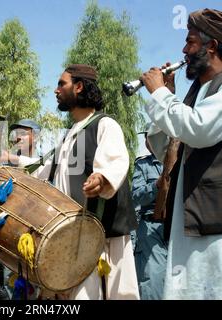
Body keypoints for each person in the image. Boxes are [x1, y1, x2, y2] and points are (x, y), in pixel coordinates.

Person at [140, 8, 222, 299]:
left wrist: (160, 96)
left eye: (190, 42)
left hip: (221, 231)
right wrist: (168, 95)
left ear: (211, 46)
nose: (184, 50)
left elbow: (197, 129)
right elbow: (166, 148)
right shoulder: (195, 94)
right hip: (188, 226)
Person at [37, 64, 139, 300]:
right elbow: (42, 170)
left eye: (62, 83)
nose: (56, 90)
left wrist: (102, 178)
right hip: (72, 237)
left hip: (101, 238)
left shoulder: (105, 124)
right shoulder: (67, 135)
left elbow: (116, 161)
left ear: (79, 86)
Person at [131, 129, 167, 300]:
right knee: (152, 280)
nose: (147, 141)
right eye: (145, 138)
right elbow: (135, 196)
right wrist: (155, 186)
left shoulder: (182, 160)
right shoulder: (142, 165)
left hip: (178, 227)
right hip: (150, 227)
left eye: (150, 137)